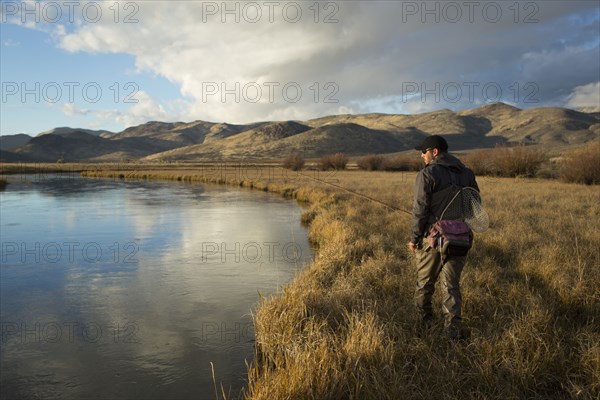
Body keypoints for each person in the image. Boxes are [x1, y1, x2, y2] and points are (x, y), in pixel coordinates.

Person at [408, 135, 479, 339]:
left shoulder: (427, 174)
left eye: (424, 151)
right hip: (460, 239)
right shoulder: (467, 173)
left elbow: (419, 210)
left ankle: (422, 326)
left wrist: (414, 238)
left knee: (425, 283)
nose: (422, 155)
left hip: (433, 240)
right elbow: (474, 207)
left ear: (435, 152)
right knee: (451, 285)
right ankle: (453, 331)